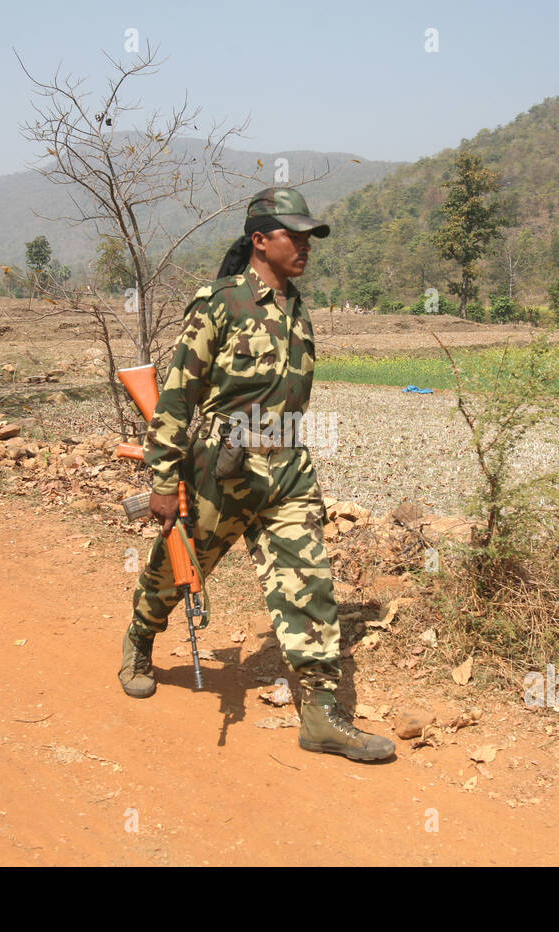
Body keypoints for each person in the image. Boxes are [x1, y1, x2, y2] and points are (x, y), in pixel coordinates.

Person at [117, 186, 395, 762]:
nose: (305, 247)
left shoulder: (298, 309)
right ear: (260, 240)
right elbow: (175, 398)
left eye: (309, 237)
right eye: (295, 236)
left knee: (309, 584)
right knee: (181, 569)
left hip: (289, 468)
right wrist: (165, 481)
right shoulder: (218, 302)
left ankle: (320, 714)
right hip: (225, 469)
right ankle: (141, 639)